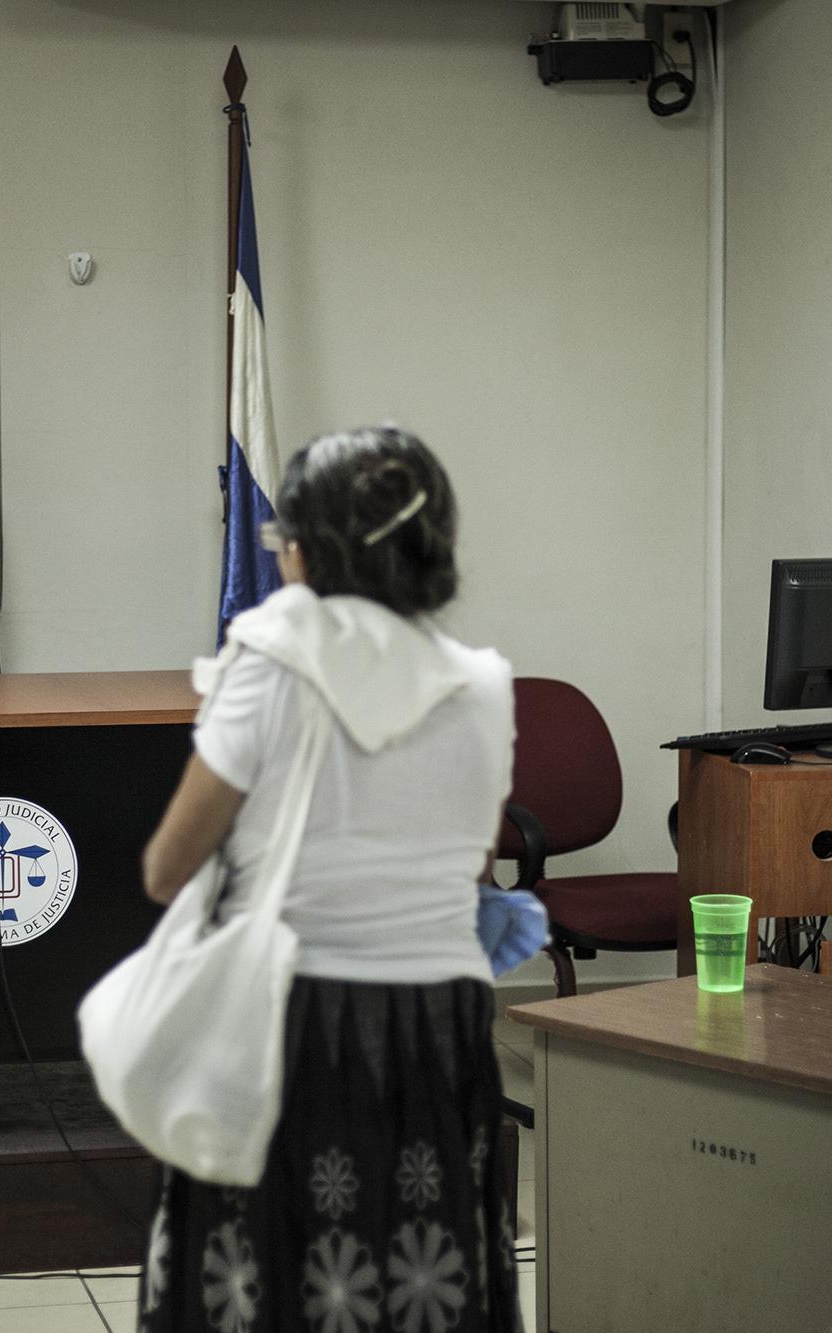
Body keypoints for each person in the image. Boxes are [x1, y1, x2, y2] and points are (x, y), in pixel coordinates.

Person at [138, 426, 522, 1332]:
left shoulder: (269, 669)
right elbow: (470, 866)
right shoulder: (482, 684)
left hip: (292, 1024)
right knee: (419, 1270)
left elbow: (166, 868)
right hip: (439, 1026)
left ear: (310, 549)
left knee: (275, 1274)